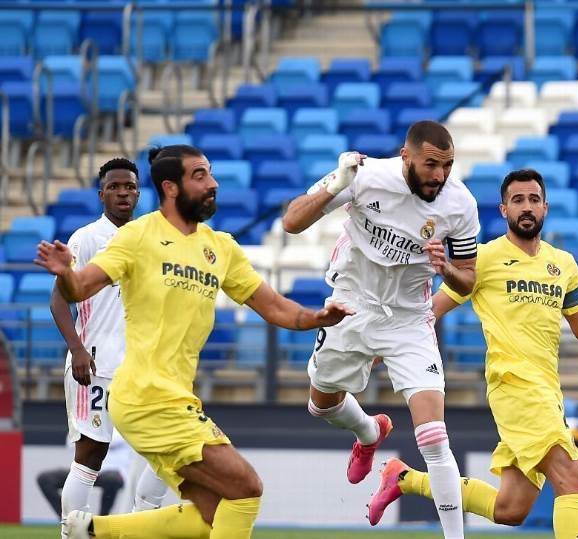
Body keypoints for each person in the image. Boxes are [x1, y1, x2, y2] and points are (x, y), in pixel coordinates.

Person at [35, 144, 354, 539]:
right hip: (144, 397)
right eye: (200, 176)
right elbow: (80, 287)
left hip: (176, 399)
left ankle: (94, 530)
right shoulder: (137, 236)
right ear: (171, 187)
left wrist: (316, 318)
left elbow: (275, 308)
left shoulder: (220, 248)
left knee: (214, 511)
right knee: (246, 490)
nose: (213, 184)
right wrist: (65, 273)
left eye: (211, 174)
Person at [366, 169, 578, 539]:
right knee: (572, 476)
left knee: (510, 509)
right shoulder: (484, 259)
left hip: (546, 392)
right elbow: (433, 308)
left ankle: (403, 478)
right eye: (518, 200)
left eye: (533, 200)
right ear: (504, 209)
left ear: (545, 207)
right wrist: (387, 342)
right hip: (514, 386)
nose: (527, 207)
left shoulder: (564, 265)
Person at [282, 121, 480, 538]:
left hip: (409, 319)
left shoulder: (460, 205)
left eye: (447, 166)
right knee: (320, 404)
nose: (439, 176)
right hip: (351, 305)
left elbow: (468, 278)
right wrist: (335, 184)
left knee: (434, 438)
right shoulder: (365, 175)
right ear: (406, 157)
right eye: (431, 165)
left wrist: (445, 266)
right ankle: (369, 432)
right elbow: (292, 222)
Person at [50, 158, 168, 537]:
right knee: (90, 457)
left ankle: (140, 525)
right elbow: (58, 299)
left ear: (138, 193)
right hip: (96, 365)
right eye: (115, 187)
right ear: (102, 194)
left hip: (140, 369)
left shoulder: (150, 238)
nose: (123, 193)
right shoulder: (86, 239)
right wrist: (78, 349)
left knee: (167, 450)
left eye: (130, 187)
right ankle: (71, 533)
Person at [38, 433, 136, 519]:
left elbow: (109, 438)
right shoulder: (86, 420)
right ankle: (68, 517)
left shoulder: (118, 425)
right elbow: (70, 441)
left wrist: (89, 436)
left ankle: (102, 519)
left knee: (112, 479)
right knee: (45, 479)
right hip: (84, 469)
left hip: (113, 472)